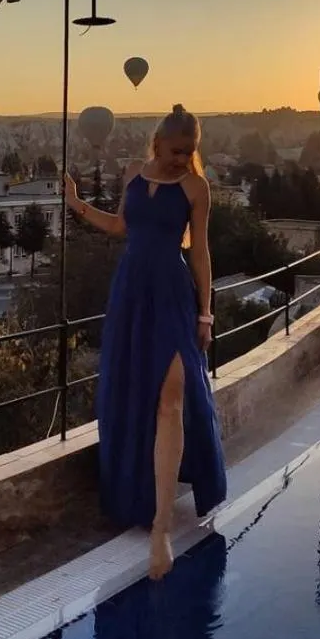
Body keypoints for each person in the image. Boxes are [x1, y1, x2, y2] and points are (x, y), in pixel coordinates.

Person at [65, 104, 227, 580]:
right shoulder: (133, 173)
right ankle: (140, 500)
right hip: (131, 295)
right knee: (137, 398)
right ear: (157, 143)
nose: (183, 159)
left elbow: (199, 251)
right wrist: (76, 204)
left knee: (173, 399)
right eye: (178, 150)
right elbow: (121, 227)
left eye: (190, 152)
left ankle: (161, 527)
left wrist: (206, 311)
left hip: (174, 298)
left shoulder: (197, 188)